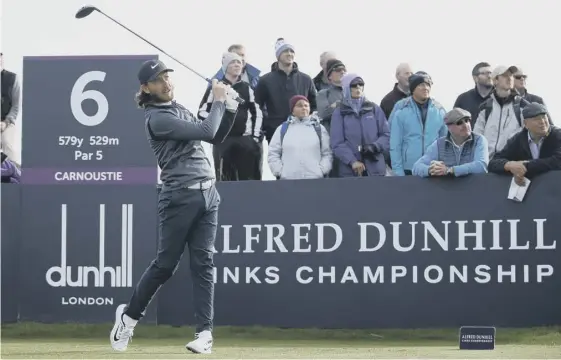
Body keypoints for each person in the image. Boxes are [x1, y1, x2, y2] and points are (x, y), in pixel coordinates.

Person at [110, 59, 240, 355]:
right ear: (146, 88)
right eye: (159, 79)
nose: (167, 82)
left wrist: (229, 108)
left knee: (204, 263)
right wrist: (218, 99)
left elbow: (216, 136)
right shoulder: (157, 118)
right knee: (165, 265)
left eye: (168, 75)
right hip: (179, 197)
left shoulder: (178, 109)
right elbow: (207, 131)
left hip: (208, 194)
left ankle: (204, 334)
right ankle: (128, 318)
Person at [198, 52, 262, 181]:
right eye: (233, 62)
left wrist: (254, 137)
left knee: (249, 182)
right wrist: (216, 124)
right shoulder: (215, 87)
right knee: (224, 181)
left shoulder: (247, 88)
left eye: (239, 62)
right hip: (222, 142)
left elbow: (257, 112)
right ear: (225, 66)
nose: (237, 65)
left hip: (245, 141)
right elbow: (202, 112)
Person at [330, 73, 390, 177]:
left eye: (361, 84)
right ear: (346, 88)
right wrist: (352, 161)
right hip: (350, 171)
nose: (358, 87)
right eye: (354, 85)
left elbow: (386, 134)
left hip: (375, 168)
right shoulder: (339, 112)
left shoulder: (374, 109)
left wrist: (374, 146)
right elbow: (337, 143)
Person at [488, 102, 561, 185]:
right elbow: (493, 163)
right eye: (537, 119)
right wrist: (509, 165)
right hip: (532, 190)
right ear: (526, 124)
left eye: (544, 117)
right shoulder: (518, 139)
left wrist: (525, 166)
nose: (542, 122)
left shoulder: (558, 135)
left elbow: (558, 161)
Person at [268, 95, 332, 179]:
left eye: (306, 105)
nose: (304, 108)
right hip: (289, 180)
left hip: (315, 180)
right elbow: (273, 153)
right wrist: (280, 171)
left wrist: (322, 170)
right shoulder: (282, 129)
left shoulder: (319, 128)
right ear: (292, 110)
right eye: (299, 105)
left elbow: (327, 153)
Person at [412, 108, 488, 178]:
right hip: (448, 191)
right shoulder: (439, 144)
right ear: (449, 127)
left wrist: (450, 170)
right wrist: (431, 170)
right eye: (459, 123)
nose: (465, 125)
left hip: (474, 189)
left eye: (467, 120)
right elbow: (416, 167)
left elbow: (481, 166)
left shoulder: (479, 140)